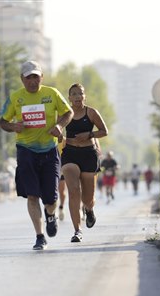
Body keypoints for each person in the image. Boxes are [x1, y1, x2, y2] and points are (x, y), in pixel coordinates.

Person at [0, 61, 73, 250]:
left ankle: (50, 215)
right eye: (28, 77)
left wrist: (59, 126)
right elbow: (3, 121)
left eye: (36, 77)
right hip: (26, 151)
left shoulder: (52, 93)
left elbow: (68, 112)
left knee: (51, 198)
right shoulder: (15, 97)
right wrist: (13, 126)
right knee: (32, 195)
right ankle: (40, 236)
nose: (32, 81)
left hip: (49, 151)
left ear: (42, 77)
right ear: (22, 79)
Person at [61, 83, 108, 242]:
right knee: (73, 191)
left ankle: (89, 209)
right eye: (73, 94)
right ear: (69, 98)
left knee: (88, 198)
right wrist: (58, 135)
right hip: (70, 154)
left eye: (80, 93)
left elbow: (104, 131)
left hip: (88, 154)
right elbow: (57, 129)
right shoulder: (65, 113)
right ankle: (77, 230)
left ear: (84, 96)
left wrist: (89, 134)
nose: (77, 97)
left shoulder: (91, 112)